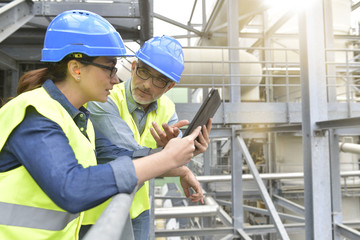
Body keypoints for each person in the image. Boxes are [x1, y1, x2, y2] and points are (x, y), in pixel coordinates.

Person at [0, 10, 202, 240]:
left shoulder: (77, 118)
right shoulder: (35, 116)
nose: (116, 80)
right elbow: (71, 187)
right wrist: (167, 159)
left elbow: (116, 155)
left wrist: (177, 159)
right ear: (76, 69)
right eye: (110, 68)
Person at [87, 35, 212, 240]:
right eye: (144, 72)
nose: (147, 85)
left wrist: (186, 151)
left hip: (138, 209)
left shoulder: (167, 108)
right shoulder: (104, 98)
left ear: (169, 87)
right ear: (134, 67)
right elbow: (127, 155)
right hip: (97, 210)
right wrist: (178, 164)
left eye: (159, 80)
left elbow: (172, 155)